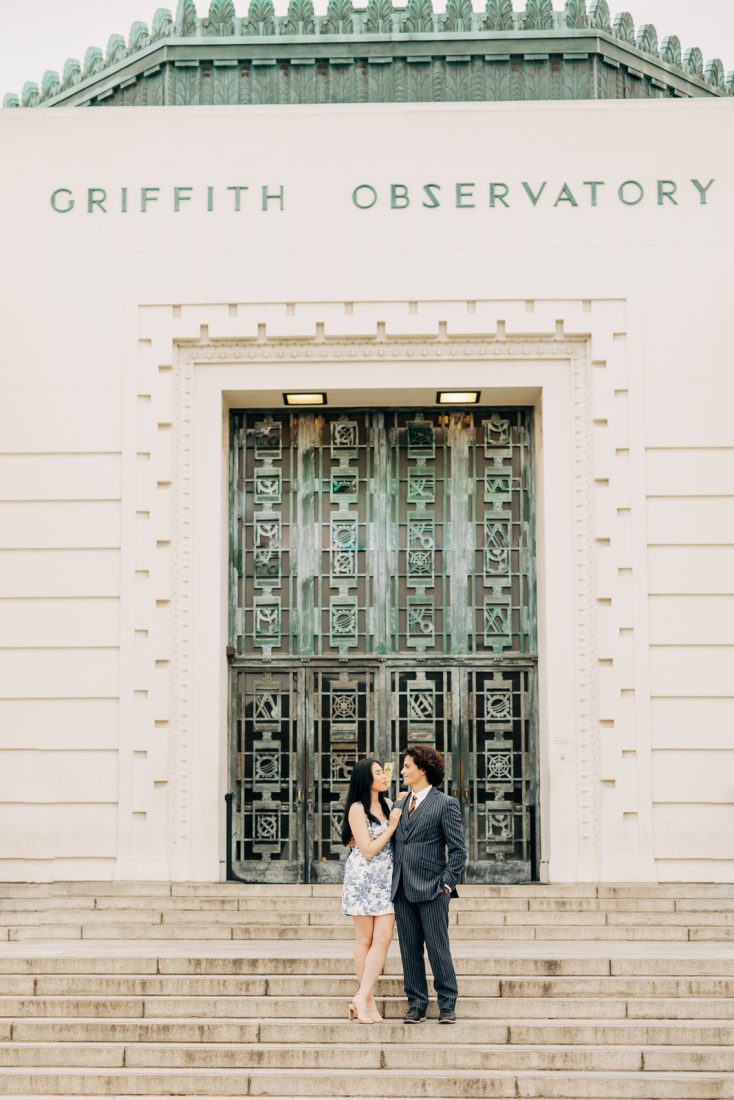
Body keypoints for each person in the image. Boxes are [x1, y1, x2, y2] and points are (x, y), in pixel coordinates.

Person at [391, 745, 466, 1024]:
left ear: (422, 769)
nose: (402, 770)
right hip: (402, 888)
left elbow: (458, 850)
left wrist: (446, 884)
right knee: (409, 951)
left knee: (437, 948)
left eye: (407, 766)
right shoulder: (398, 804)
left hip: (432, 888)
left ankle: (447, 1004)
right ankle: (417, 1004)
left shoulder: (445, 803)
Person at [341, 758, 402, 1023]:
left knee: (384, 938)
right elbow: (366, 850)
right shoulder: (357, 809)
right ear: (367, 778)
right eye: (378, 773)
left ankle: (361, 995)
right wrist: (391, 828)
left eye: (383, 771)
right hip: (363, 879)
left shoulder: (389, 805)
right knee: (364, 939)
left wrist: (402, 801)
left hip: (387, 879)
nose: (384, 776)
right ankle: (367, 1002)